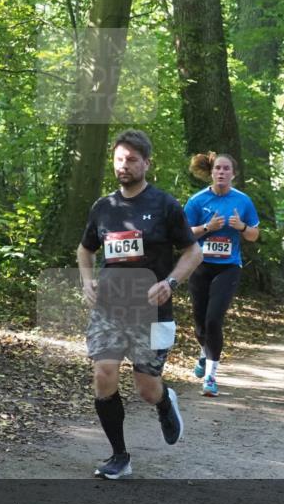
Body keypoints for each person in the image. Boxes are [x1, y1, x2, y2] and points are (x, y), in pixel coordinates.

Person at [77, 130, 202, 479]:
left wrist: (170, 282)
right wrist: (87, 280)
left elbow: (193, 250)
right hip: (110, 308)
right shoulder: (103, 208)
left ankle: (164, 401)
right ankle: (119, 456)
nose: (124, 165)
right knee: (104, 374)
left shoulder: (165, 205)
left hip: (152, 310)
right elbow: (85, 248)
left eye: (132, 159)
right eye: (119, 159)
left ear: (147, 163)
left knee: (146, 388)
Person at [183, 153, 260, 397]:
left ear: (233, 174)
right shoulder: (197, 201)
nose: (222, 173)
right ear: (211, 172)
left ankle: (211, 377)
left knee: (214, 320)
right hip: (200, 265)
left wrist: (242, 227)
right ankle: (204, 353)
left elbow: (254, 235)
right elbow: (184, 235)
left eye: (227, 169)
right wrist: (208, 228)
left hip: (228, 267)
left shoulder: (243, 201)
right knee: (199, 325)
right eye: (218, 168)